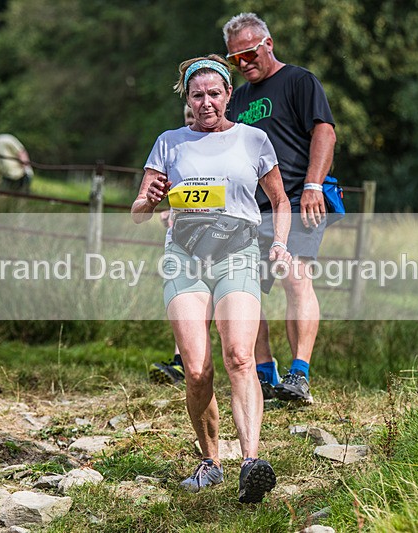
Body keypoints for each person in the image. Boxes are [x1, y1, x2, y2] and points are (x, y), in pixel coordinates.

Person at [132, 55, 291, 503]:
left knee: (239, 355)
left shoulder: (253, 139)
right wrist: (151, 200)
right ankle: (210, 462)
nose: (206, 102)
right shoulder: (170, 142)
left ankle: (251, 462)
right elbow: (138, 212)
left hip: (237, 254)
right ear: (188, 98)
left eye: (214, 94)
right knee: (197, 368)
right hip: (184, 259)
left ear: (228, 95)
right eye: (197, 95)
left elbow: (280, 200)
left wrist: (280, 243)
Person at [223, 12, 337, 403]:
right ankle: (265, 373)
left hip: (296, 199)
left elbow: (324, 131)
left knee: (295, 277)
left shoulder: (299, 81)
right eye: (234, 59)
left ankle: (299, 374)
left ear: (268, 44)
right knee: (244, 290)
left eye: (249, 54)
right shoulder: (237, 100)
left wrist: (313, 184)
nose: (243, 63)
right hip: (247, 210)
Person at [148, 104, 196, 386]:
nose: (192, 120)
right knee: (184, 301)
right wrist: (168, 209)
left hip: (223, 242)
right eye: (188, 115)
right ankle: (182, 363)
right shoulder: (175, 147)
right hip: (182, 240)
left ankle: (261, 367)